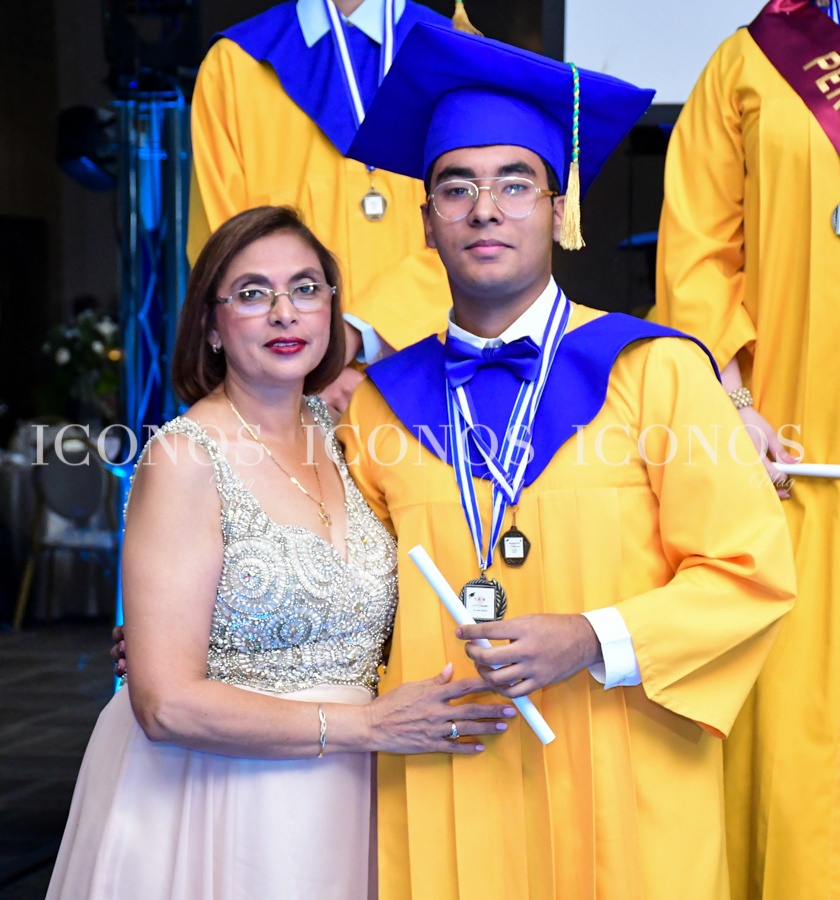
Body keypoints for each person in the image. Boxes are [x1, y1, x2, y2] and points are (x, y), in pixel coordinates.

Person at [336, 22, 798, 899]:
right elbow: (347, 593)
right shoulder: (379, 404)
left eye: (516, 183)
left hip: (627, 787)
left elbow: (750, 574)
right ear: (426, 224)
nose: (485, 209)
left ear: (559, 210)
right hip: (448, 784)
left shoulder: (656, 372)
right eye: (456, 188)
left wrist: (589, 638)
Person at [48, 206, 513, 900]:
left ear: (331, 310)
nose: (284, 313)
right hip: (224, 792)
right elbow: (165, 706)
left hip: (348, 788)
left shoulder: (349, 435)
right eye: (252, 293)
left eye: (305, 288)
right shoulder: (183, 458)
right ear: (210, 325)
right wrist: (368, 724)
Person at [655, 2, 840, 897]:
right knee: (796, 762)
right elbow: (696, 254)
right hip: (794, 473)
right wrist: (730, 402)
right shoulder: (753, 61)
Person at [188, 0, 475, 415]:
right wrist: (311, 371)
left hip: (433, 383)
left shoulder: (455, 53)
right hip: (285, 396)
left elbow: (477, 233)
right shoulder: (235, 67)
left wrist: (355, 333)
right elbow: (220, 256)